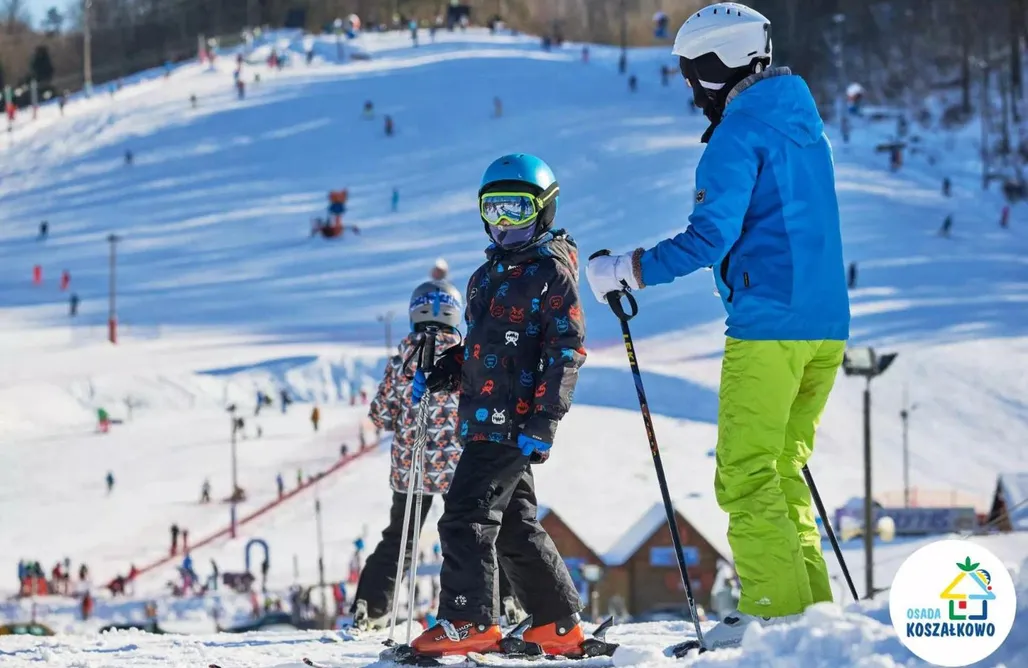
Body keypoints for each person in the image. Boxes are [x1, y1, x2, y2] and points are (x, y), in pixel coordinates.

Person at [585, 3, 850, 649]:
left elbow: (709, 238)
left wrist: (627, 270)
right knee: (781, 469)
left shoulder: (739, 133)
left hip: (769, 329)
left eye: (692, 71)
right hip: (825, 326)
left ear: (717, 64)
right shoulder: (800, 123)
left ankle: (769, 617)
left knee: (744, 472)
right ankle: (810, 618)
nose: (689, 86)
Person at [408, 154, 588, 657]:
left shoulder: (552, 272)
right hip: (484, 415)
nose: (505, 223)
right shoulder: (487, 275)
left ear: (545, 211)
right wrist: (445, 370)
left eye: (518, 210)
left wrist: (547, 418)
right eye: (496, 209)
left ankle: (468, 619)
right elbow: (481, 347)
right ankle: (557, 625)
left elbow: (565, 351)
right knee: (512, 523)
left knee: (465, 513)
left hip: (516, 420)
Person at [352, 280, 525, 631]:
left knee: (400, 538)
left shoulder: (402, 359)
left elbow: (381, 414)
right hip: (460, 465)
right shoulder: (468, 355)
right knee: (479, 531)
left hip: (412, 469)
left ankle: (370, 608)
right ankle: (507, 600)